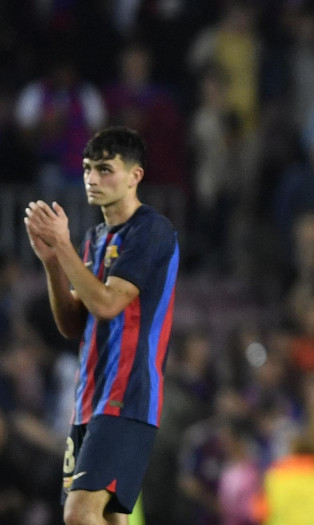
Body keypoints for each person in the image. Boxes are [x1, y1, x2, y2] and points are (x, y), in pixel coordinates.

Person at [23, 126, 180, 525]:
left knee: (79, 514)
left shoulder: (151, 230)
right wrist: (53, 262)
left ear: (135, 175)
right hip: (89, 400)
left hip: (126, 396)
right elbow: (73, 324)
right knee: (108, 518)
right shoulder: (95, 239)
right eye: (88, 168)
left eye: (106, 169)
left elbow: (108, 303)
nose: (93, 179)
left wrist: (64, 247)